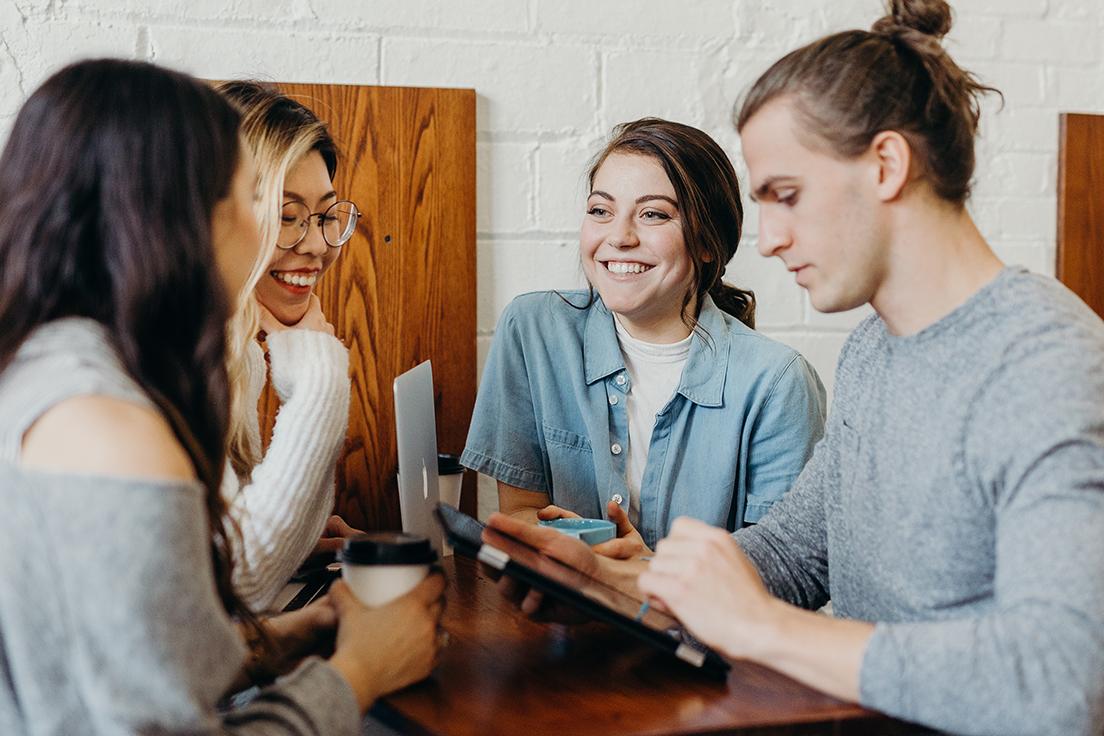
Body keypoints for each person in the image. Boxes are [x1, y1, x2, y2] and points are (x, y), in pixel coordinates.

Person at [488, 2, 1104, 734]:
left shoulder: (1048, 365)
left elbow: (1063, 681)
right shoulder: (877, 349)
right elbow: (790, 553)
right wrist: (625, 587)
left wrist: (761, 629)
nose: (770, 240)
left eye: (787, 195)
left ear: (886, 164)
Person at [0, 59, 443, 735]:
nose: (276, 233)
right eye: (248, 197)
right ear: (173, 216)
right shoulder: (110, 426)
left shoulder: (53, 368)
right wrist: (359, 673)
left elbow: (131, 663)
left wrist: (287, 639)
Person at [463, 118, 826, 557]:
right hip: (562, 617)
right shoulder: (533, 330)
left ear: (708, 242)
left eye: (653, 214)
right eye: (601, 210)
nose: (619, 237)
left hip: (697, 626)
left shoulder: (777, 383)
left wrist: (643, 573)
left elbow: (779, 571)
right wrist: (573, 547)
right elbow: (520, 511)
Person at [215, 80, 363, 611]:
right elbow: (241, 584)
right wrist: (321, 377)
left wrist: (296, 538)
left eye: (325, 215)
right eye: (286, 215)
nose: (318, 245)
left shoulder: (238, 352)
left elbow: (228, 559)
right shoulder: (179, 357)